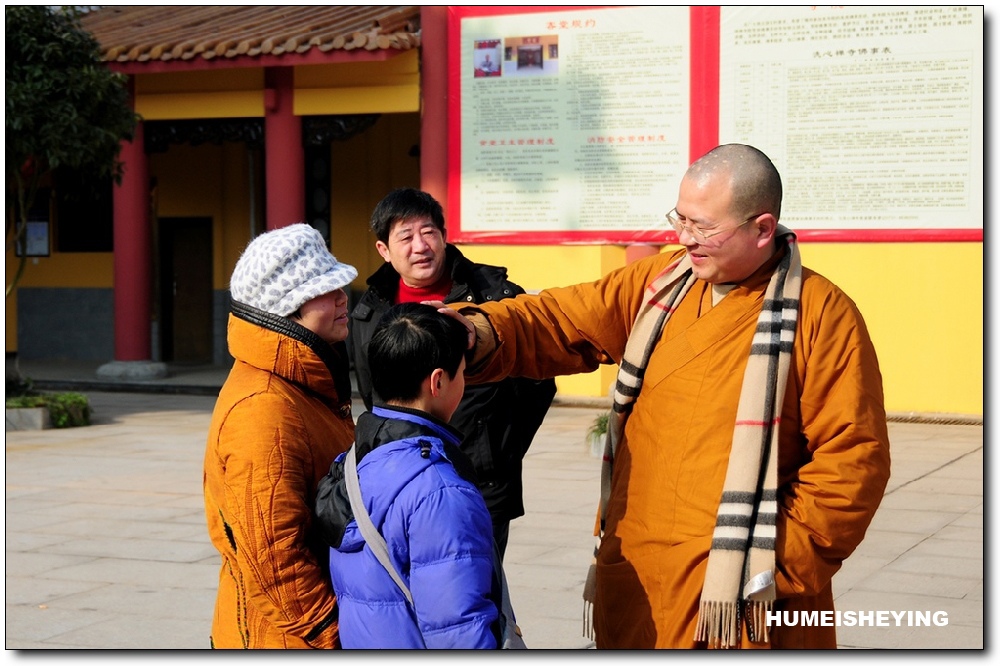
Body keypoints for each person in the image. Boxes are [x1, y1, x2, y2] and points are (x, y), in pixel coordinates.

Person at [449, 144, 891, 649]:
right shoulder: (659, 283)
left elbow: (852, 462)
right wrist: (477, 330)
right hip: (636, 566)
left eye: (703, 227)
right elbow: (562, 318)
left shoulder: (821, 314)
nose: (683, 238)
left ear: (762, 228)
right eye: (679, 219)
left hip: (742, 591)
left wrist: (772, 565)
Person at [349, 187, 556, 559]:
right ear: (384, 249)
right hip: (401, 479)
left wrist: (499, 451)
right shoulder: (369, 310)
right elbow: (372, 395)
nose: (420, 246)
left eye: (428, 232)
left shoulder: (495, 296)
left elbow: (537, 382)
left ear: (444, 236)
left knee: (475, 589)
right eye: (405, 236)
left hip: (479, 481)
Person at [203, 223, 357, 649]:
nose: (344, 296)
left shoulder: (299, 381)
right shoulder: (264, 407)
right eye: (327, 290)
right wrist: (335, 637)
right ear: (287, 309)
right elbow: (274, 559)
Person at [314, 303, 501, 649]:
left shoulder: (355, 460)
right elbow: (459, 629)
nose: (464, 381)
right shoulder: (439, 489)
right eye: (462, 372)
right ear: (438, 381)